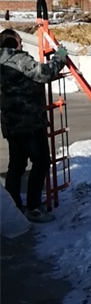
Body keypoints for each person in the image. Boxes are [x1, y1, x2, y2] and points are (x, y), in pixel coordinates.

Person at [0, 28, 68, 222]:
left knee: (17, 165)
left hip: (11, 123)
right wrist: (60, 57)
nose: (21, 44)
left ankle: (14, 207)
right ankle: (33, 207)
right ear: (12, 43)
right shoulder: (18, 59)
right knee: (41, 161)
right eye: (19, 41)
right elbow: (44, 73)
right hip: (29, 122)